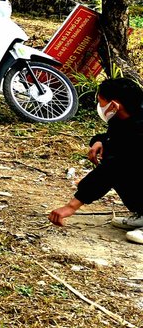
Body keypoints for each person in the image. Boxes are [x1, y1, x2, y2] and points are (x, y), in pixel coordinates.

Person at [49, 77, 143, 244]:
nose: (99, 107)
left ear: (114, 105)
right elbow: (113, 138)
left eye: (101, 102)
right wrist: (99, 141)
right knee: (117, 158)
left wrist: (71, 206)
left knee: (120, 165)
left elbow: (111, 169)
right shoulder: (127, 117)